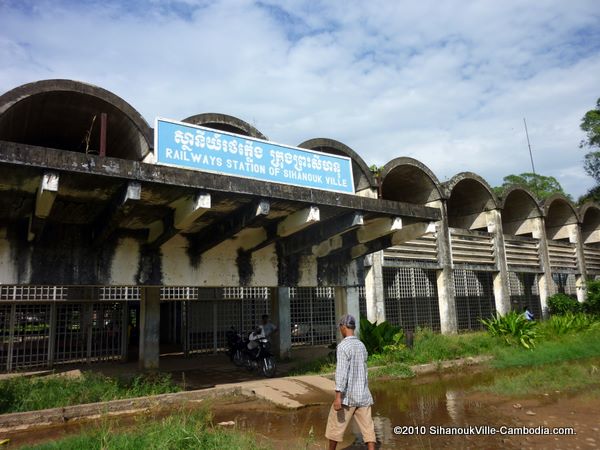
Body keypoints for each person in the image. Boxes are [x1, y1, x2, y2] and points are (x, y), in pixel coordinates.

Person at [325, 314, 376, 450]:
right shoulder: (361, 345)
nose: (340, 330)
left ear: (343, 327)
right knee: (368, 430)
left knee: (334, 429)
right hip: (363, 395)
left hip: (347, 397)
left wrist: (337, 397)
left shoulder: (343, 347)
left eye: (340, 327)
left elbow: (341, 373)